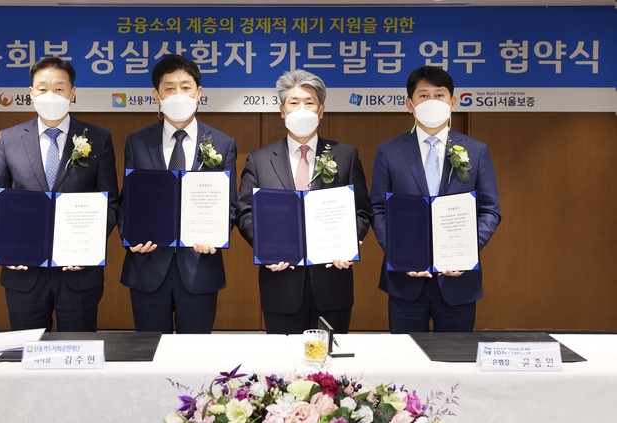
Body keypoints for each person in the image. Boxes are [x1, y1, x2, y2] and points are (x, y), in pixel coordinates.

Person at [0, 57, 119, 332]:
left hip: (79, 272)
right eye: (43, 88)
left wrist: (88, 248)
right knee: (27, 348)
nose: (51, 95)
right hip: (24, 271)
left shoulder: (98, 138)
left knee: (78, 349)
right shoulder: (9, 139)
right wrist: (8, 246)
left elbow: (110, 203)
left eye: (58, 88)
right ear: (31, 93)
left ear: (72, 93)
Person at [237, 69, 372, 334]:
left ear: (321, 110)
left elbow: (362, 211)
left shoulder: (345, 156)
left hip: (333, 281)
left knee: (331, 358)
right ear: (282, 111)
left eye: (309, 102)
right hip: (281, 282)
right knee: (281, 358)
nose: (302, 109)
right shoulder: (259, 160)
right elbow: (245, 213)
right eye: (294, 102)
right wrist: (267, 248)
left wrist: (349, 242)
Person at [370, 66, 501, 334]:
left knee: (454, 357)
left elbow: (489, 211)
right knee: (406, 357)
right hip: (405, 280)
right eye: (424, 95)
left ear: (453, 103)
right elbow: (378, 209)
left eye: (439, 95)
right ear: (410, 105)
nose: (432, 102)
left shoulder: (476, 151)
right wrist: (399, 254)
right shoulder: (389, 151)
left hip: (458, 280)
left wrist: (465, 252)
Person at [120, 54, 237, 334]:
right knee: (149, 352)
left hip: (199, 268)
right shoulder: (137, 142)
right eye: (169, 88)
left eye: (185, 87)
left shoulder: (222, 143)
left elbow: (230, 205)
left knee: (195, 353)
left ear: (199, 93)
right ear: (157, 96)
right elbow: (128, 202)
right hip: (148, 267)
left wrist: (216, 235)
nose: (178, 95)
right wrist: (130, 237)